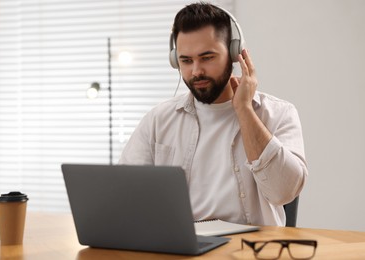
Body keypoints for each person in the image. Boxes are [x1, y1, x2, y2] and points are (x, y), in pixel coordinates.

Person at [119, 2, 308, 226]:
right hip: (183, 250)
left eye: (207, 57)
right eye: (186, 61)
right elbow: (125, 196)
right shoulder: (158, 120)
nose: (196, 71)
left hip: (250, 251)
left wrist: (245, 110)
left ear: (235, 53)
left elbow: (283, 192)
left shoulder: (279, 113)